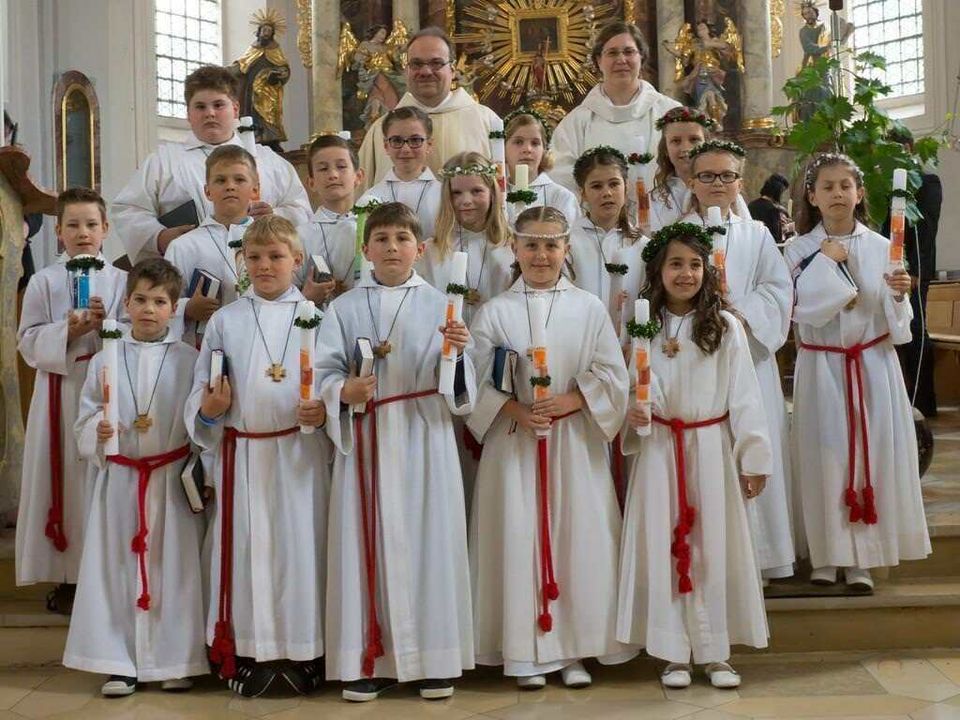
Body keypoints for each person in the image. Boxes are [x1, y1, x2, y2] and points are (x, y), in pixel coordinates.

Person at [314, 202, 476, 702]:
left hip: (423, 434)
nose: (391, 248)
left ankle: (433, 660)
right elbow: (322, 370)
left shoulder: (441, 307)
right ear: (365, 250)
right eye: (381, 239)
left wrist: (459, 351)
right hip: (365, 437)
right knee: (365, 542)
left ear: (420, 249)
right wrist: (342, 392)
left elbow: (460, 392)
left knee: (430, 542)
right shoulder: (342, 308)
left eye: (402, 239)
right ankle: (369, 658)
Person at [468, 206, 633, 690]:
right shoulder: (495, 312)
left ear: (566, 249)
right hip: (515, 445)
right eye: (531, 245)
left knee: (575, 536)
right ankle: (525, 654)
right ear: (515, 250)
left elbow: (612, 374)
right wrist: (514, 410)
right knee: (518, 535)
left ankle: (573, 650)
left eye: (551, 244)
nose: (541, 254)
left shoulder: (588, 307)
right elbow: (476, 378)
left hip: (574, 442)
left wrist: (570, 401)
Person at [617, 222, 771, 690]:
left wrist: (753, 457)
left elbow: (744, 395)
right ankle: (673, 652)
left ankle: (715, 650)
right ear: (658, 271)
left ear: (708, 271)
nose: (686, 274)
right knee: (665, 547)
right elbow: (632, 385)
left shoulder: (724, 327)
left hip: (709, 450)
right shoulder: (643, 325)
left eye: (695, 264)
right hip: (662, 449)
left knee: (711, 548)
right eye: (676, 264)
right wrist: (637, 411)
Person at [184, 215, 330, 697]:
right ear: (242, 262)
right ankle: (245, 650)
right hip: (243, 456)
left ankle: (305, 651)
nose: (265, 265)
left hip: (300, 455)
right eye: (255, 257)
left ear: (297, 260)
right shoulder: (227, 319)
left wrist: (323, 409)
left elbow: (329, 379)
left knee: (300, 551)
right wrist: (210, 410)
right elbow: (202, 395)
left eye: (276, 256)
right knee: (248, 552)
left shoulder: (315, 318)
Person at [785, 153, 931, 590]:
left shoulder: (882, 246)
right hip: (823, 364)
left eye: (845, 186)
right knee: (825, 456)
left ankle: (863, 559)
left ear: (859, 193)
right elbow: (802, 309)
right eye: (827, 187)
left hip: (870, 364)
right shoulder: (797, 249)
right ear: (812, 196)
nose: (837, 194)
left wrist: (901, 294)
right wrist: (827, 262)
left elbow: (899, 327)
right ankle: (827, 557)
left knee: (871, 457)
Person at [64, 259, 207, 696]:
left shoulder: (189, 359)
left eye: (160, 301)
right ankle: (118, 661)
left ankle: (173, 660)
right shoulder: (108, 354)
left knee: (174, 572)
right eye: (141, 299)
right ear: (126, 303)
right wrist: (96, 431)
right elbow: (86, 413)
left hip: (168, 480)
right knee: (118, 568)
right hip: (123, 479)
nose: (149, 309)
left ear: (174, 307)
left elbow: (199, 419)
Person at [681, 140, 796, 582]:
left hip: (749, 356)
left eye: (726, 175)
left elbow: (778, 289)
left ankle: (761, 558)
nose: (717, 183)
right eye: (707, 176)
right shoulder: (675, 233)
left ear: (740, 182)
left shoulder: (757, 234)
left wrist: (740, 312)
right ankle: (714, 559)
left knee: (753, 445)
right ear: (691, 182)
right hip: (699, 365)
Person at [16, 188, 128, 612]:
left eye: (92, 225)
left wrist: (107, 325)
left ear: (106, 229)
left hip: (104, 388)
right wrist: (69, 331)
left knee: (100, 477)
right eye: (74, 225)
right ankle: (67, 576)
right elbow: (27, 341)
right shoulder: (44, 280)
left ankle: (103, 572)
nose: (83, 233)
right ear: (59, 232)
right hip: (60, 387)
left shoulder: (119, 281)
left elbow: (134, 332)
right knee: (62, 475)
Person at [112, 65, 310, 264]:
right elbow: (129, 210)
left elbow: (302, 211)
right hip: (191, 266)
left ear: (235, 109)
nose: (210, 113)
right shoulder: (163, 160)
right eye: (200, 107)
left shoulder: (269, 161)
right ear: (188, 114)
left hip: (263, 269)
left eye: (218, 105)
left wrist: (275, 215)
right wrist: (159, 238)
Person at [358, 27, 502, 190]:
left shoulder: (486, 122)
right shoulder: (381, 130)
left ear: (453, 70)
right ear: (406, 71)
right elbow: (359, 200)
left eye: (436, 63)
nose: (425, 71)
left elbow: (502, 194)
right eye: (416, 64)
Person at [549, 21, 680, 196]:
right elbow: (561, 180)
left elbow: (687, 168)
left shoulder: (670, 113)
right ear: (598, 60)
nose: (621, 60)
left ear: (641, 56)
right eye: (612, 53)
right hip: (596, 221)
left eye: (628, 52)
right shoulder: (576, 122)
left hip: (664, 216)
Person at [164, 145, 259, 348]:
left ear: (255, 189)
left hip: (259, 344)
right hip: (204, 348)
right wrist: (187, 308)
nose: (230, 186)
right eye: (220, 180)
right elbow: (162, 302)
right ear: (207, 191)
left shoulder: (269, 242)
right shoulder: (183, 246)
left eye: (239, 179)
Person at [884, 127, 942, 418]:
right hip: (890, 268)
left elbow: (925, 229)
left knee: (917, 329)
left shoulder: (927, 182)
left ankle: (922, 400)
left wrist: (915, 268)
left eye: (896, 147)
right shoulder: (885, 184)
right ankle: (900, 398)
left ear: (908, 147)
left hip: (915, 266)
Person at [420, 152, 514, 326]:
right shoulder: (431, 251)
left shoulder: (510, 247)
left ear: (492, 192)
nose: (466, 201)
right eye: (456, 193)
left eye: (476, 191)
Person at [568, 146, 646, 338]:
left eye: (614, 184)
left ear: (626, 188)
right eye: (596, 186)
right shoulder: (568, 242)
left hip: (627, 343)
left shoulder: (642, 245)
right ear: (583, 193)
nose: (607, 193)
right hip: (580, 339)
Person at [649, 106, 750, 231]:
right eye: (676, 141)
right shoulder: (655, 200)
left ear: (706, 143)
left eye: (694, 140)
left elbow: (746, 234)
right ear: (665, 149)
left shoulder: (726, 191)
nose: (686, 148)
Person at [356, 106, 443, 240]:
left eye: (415, 140)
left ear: (429, 145)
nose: (406, 149)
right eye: (397, 141)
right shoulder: (372, 197)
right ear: (386, 146)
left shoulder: (443, 195)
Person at [298, 134, 364, 307]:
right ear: (311, 183)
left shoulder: (373, 228)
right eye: (323, 169)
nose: (333, 175)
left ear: (358, 177)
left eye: (341, 166)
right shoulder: (301, 235)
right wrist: (306, 297)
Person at [503, 108, 579, 227]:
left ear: (544, 150)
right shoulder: (496, 195)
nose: (527, 149)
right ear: (503, 149)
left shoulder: (561, 197)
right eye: (518, 142)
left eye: (535, 143)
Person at [229, 9, 291, 150]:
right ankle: (254, 135)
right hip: (251, 89)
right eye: (264, 30)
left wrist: (279, 74)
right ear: (259, 31)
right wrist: (228, 70)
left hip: (269, 90)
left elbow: (284, 68)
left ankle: (271, 139)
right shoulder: (253, 48)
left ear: (272, 34)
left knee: (269, 114)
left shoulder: (275, 49)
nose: (266, 32)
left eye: (269, 30)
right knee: (251, 112)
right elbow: (242, 64)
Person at [748, 173, 794, 245]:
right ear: (778, 192)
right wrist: (785, 229)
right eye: (783, 193)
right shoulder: (772, 210)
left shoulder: (751, 205)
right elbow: (776, 238)